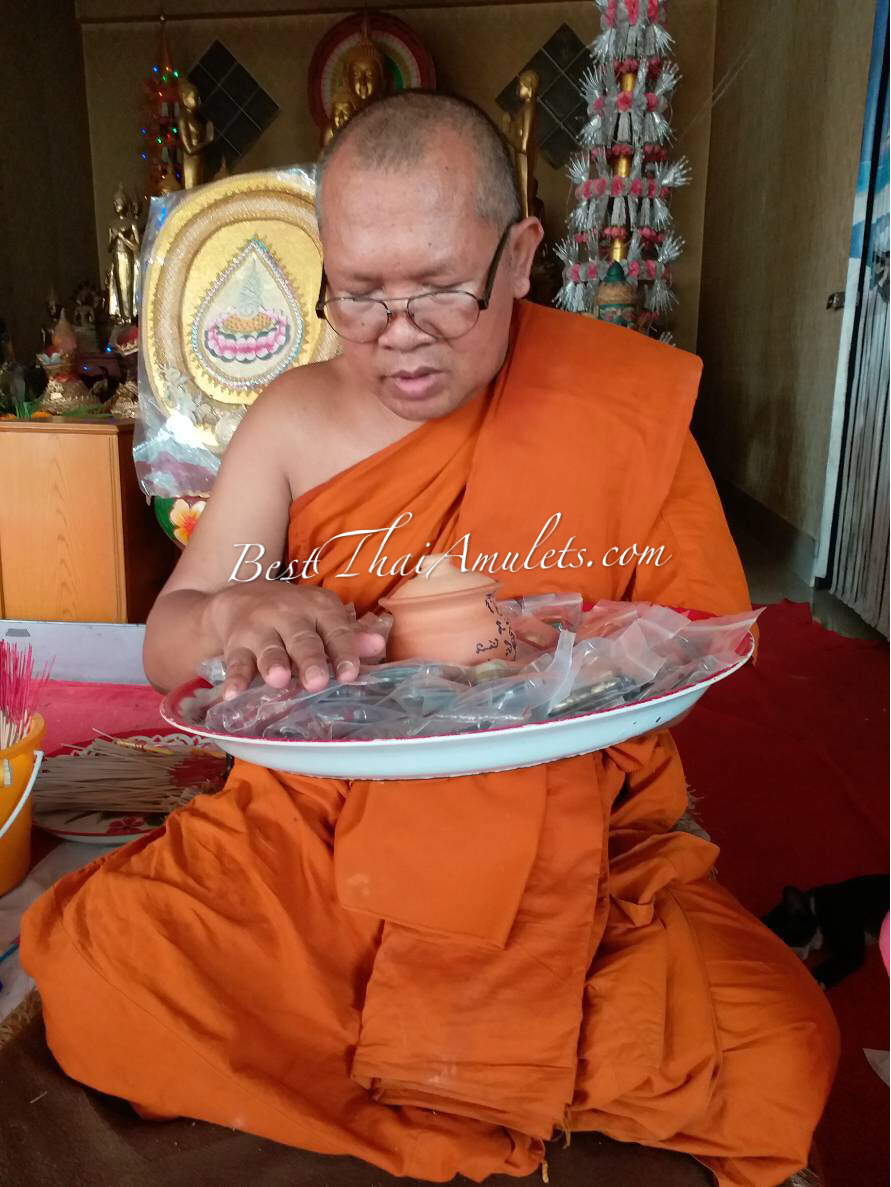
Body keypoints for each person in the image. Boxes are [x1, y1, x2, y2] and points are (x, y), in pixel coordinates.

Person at [21, 92, 838, 1186]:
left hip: (572, 840)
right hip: (320, 836)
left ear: (520, 256)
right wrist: (230, 614)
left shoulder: (617, 404)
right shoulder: (294, 419)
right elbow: (171, 641)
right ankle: (477, 1092)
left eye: (443, 290)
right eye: (358, 295)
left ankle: (403, 1081)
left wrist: (549, 655)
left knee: (781, 1047)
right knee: (102, 969)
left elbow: (696, 641)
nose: (399, 333)